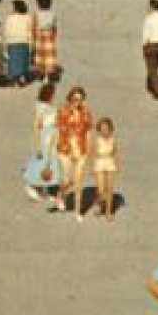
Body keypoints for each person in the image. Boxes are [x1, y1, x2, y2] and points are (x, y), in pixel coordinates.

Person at [57, 86, 93, 219]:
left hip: (81, 149)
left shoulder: (86, 112)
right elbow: (59, 130)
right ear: (70, 98)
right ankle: (60, 195)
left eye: (80, 99)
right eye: (75, 99)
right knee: (67, 180)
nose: (77, 102)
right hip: (66, 149)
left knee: (78, 183)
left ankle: (78, 211)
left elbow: (89, 131)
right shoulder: (63, 111)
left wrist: (89, 150)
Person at [24, 83, 62, 207]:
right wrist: (38, 146)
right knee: (43, 162)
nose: (54, 95)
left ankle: (49, 189)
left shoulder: (47, 106)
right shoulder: (41, 107)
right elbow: (36, 126)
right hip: (45, 136)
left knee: (51, 163)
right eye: (53, 93)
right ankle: (31, 186)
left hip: (52, 135)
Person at [93, 117, 120, 220]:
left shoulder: (113, 140)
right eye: (102, 129)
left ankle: (108, 212)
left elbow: (115, 152)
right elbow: (92, 154)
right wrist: (92, 167)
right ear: (99, 130)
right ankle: (99, 204)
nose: (104, 131)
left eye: (106, 128)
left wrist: (117, 164)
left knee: (109, 189)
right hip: (99, 163)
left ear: (110, 129)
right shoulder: (97, 140)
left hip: (110, 163)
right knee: (100, 189)